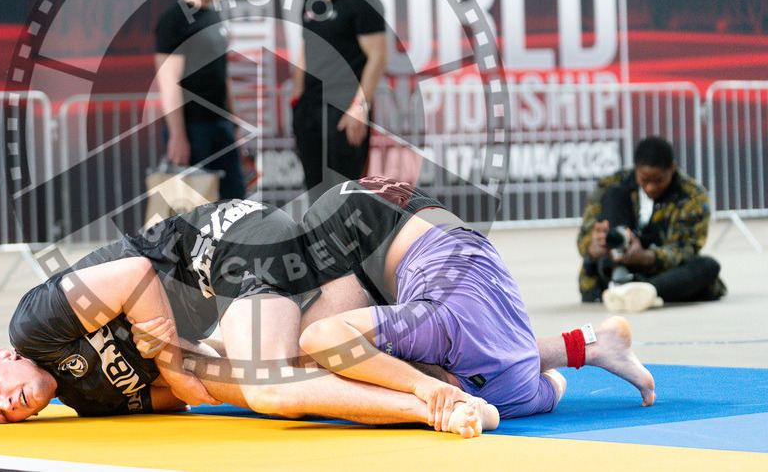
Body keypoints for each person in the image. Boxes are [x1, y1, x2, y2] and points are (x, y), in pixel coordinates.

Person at [0, 199, 489, 436]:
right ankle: (456, 381)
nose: (8, 404)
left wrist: (167, 359)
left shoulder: (31, 327)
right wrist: (189, 366)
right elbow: (192, 395)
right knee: (297, 375)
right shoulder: (88, 403)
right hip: (254, 285)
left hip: (223, 246)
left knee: (267, 388)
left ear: (5, 359)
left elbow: (137, 276)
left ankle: (428, 408)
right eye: (3, 414)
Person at [295, 176, 657, 426]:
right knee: (329, 361)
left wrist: (435, 389)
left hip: (441, 234)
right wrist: (419, 385)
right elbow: (321, 338)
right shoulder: (437, 330)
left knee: (331, 367)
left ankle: (595, 343)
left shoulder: (518, 392)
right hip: (355, 216)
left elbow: (556, 385)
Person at [291, 0, 388, 204]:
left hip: (344, 110)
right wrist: (297, 103)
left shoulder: (363, 2)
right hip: (309, 110)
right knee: (315, 192)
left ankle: (348, 247)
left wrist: (359, 108)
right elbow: (304, 52)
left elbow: (378, 58)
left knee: (346, 195)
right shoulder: (312, 2)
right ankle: (318, 248)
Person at [577, 136, 726, 312]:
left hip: (660, 271)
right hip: (610, 268)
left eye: (658, 180)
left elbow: (686, 249)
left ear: (672, 168)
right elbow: (584, 239)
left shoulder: (692, 195)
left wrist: (646, 256)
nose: (651, 187)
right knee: (613, 194)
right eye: (645, 180)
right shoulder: (611, 185)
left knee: (709, 266)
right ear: (636, 169)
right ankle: (629, 283)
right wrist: (595, 247)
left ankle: (641, 290)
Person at [154, 0, 245, 200]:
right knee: (196, 211)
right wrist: (178, 135)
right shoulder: (175, 20)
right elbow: (168, 81)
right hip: (194, 129)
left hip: (221, 127)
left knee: (235, 204)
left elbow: (221, 73)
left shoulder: (214, 16)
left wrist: (235, 124)